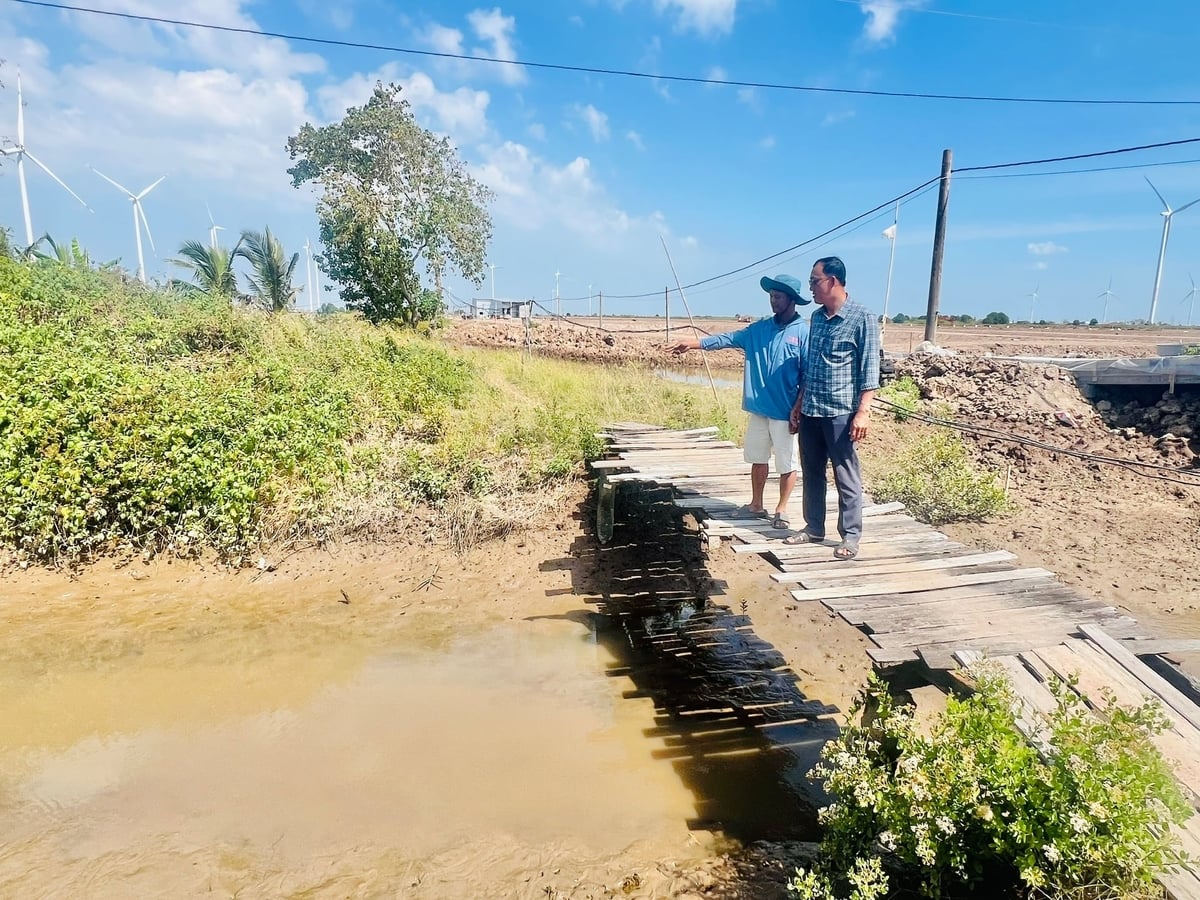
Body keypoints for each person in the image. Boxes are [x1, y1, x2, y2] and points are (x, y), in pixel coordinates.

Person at [670, 275, 810, 529]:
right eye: (771, 296)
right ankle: (756, 504)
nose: (773, 301)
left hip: (785, 411)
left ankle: (781, 509)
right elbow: (727, 339)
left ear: (792, 300)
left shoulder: (802, 332)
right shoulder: (759, 329)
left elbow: (807, 375)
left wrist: (798, 406)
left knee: (786, 462)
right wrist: (693, 343)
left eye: (778, 297)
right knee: (758, 457)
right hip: (759, 409)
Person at [786, 257, 880, 560]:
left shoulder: (862, 318)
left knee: (845, 474)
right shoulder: (816, 318)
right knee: (812, 472)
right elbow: (811, 367)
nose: (811, 288)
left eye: (815, 281)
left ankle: (850, 536)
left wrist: (863, 412)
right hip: (812, 409)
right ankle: (814, 527)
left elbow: (869, 370)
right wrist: (799, 403)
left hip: (841, 412)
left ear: (833, 281)